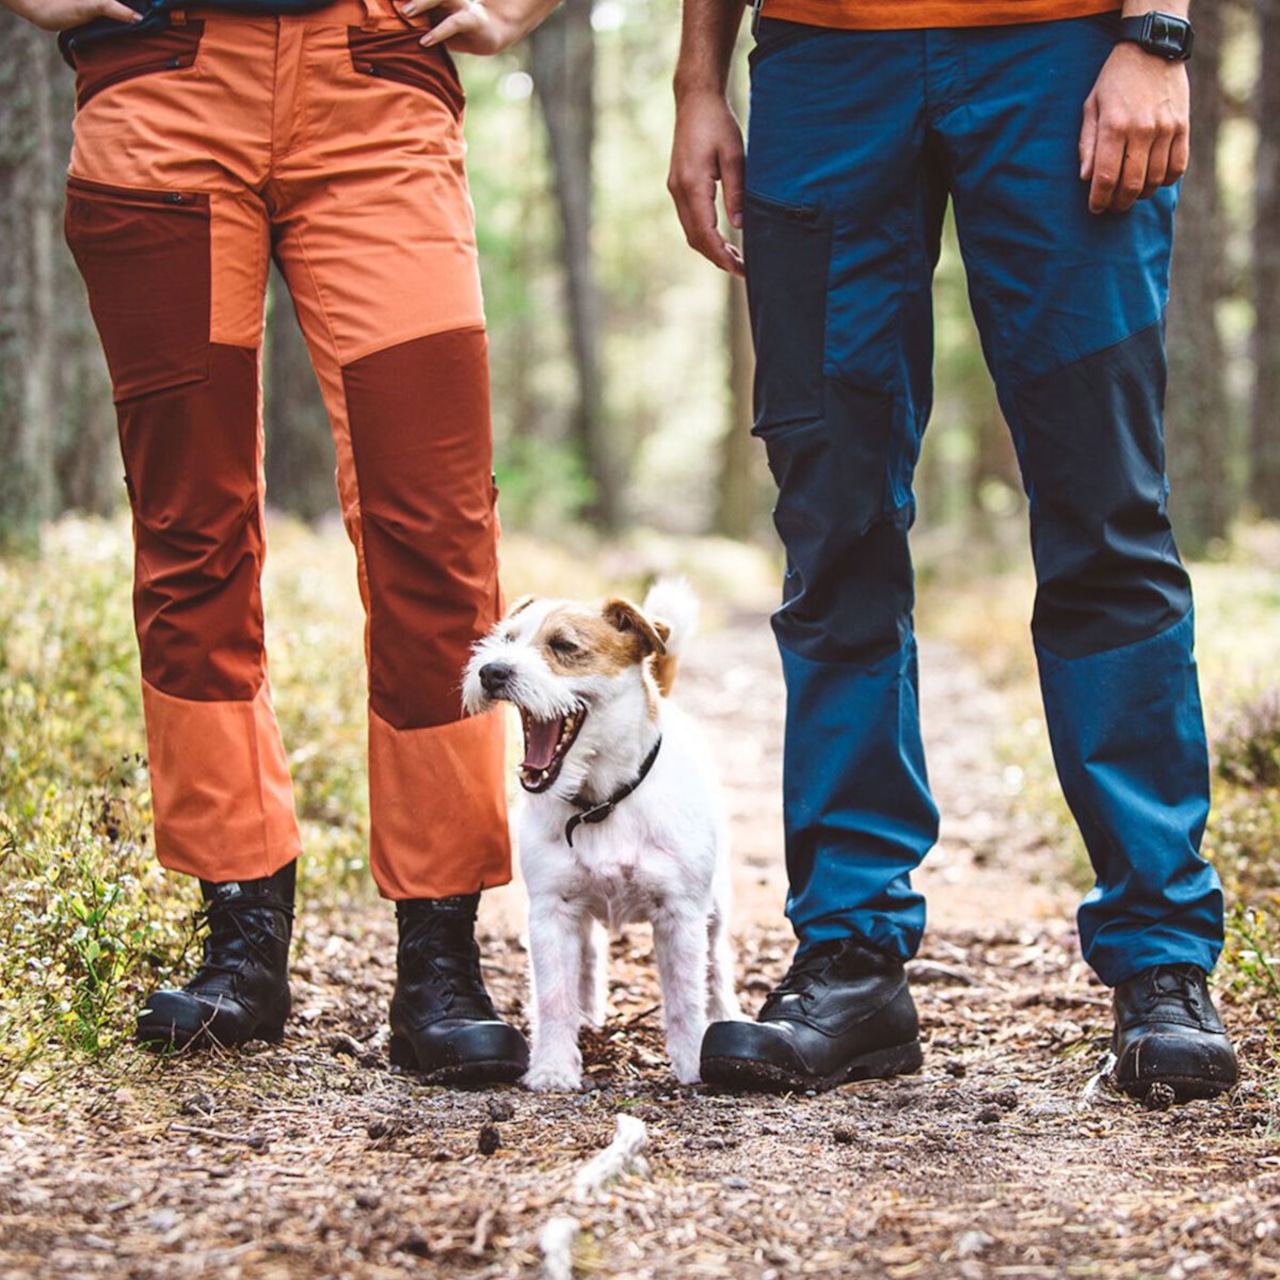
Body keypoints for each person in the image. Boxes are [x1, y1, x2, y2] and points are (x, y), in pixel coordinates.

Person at [669, 0, 1239, 1102]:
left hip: (1063, 50)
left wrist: (1158, 29)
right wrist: (698, 79)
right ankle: (850, 956)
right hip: (820, 63)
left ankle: (1160, 954)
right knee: (831, 519)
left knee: (1104, 510)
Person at [5, 0, 560, 1082]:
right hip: (160, 76)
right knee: (189, 528)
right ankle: (239, 931)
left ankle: (440, 950)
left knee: (434, 530)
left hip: (375, 79)